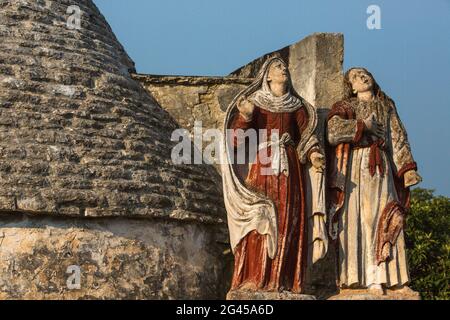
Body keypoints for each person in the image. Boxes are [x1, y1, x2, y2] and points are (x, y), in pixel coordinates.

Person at [221, 56, 327, 294]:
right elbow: (235, 141)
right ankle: (253, 279)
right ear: (267, 75)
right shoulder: (255, 102)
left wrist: (313, 155)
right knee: (262, 217)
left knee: (288, 218)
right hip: (264, 165)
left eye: (285, 67)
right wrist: (246, 116)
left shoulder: (296, 106)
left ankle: (284, 281)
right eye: (278, 67)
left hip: (290, 168)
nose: (284, 69)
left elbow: (307, 136)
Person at [327, 67, 422, 295]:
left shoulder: (386, 105)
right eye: (356, 76)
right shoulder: (346, 106)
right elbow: (332, 132)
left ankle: (392, 278)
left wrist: (406, 168)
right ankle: (364, 277)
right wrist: (362, 126)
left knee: (389, 216)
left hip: (382, 167)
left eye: (365, 73)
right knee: (362, 219)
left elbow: (398, 136)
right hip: (357, 168)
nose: (363, 77)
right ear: (351, 86)